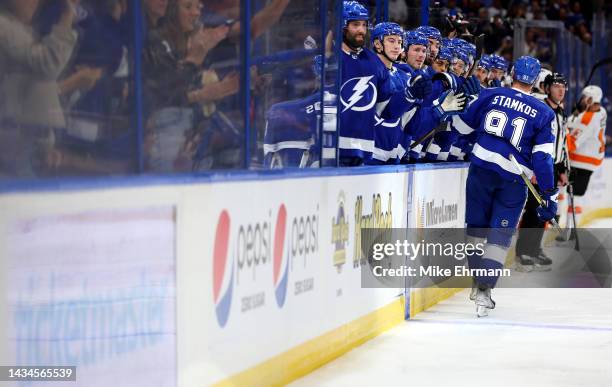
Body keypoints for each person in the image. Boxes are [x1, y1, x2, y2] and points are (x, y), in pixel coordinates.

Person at [452, 56, 557, 317]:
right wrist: (547, 193)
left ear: (512, 73)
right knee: (499, 236)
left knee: (475, 229)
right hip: (513, 180)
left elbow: (461, 127)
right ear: (535, 82)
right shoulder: (545, 113)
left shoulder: (490, 94)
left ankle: (478, 281)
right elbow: (542, 159)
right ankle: (485, 289)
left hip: (481, 171)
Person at [0, 0, 78, 177]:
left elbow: (40, 90)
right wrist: (67, 16)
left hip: (26, 143)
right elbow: (47, 63)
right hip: (10, 145)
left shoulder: (32, 30)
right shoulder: (3, 26)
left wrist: (46, 146)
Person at [514, 72, 569, 271]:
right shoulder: (541, 109)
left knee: (545, 210)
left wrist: (561, 168)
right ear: (546, 88)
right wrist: (534, 167)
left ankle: (535, 249)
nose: (561, 90)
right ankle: (523, 253)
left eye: (563, 86)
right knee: (533, 210)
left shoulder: (561, 112)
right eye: (556, 86)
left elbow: (561, 143)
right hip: (539, 166)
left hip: (552, 167)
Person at [566, 85, 607, 220]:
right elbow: (580, 122)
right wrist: (576, 115)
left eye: (584, 97)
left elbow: (571, 143)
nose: (582, 99)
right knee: (575, 194)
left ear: (590, 99)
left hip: (581, 160)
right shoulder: (602, 111)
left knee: (574, 196)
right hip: (594, 158)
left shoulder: (587, 119)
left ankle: (569, 232)